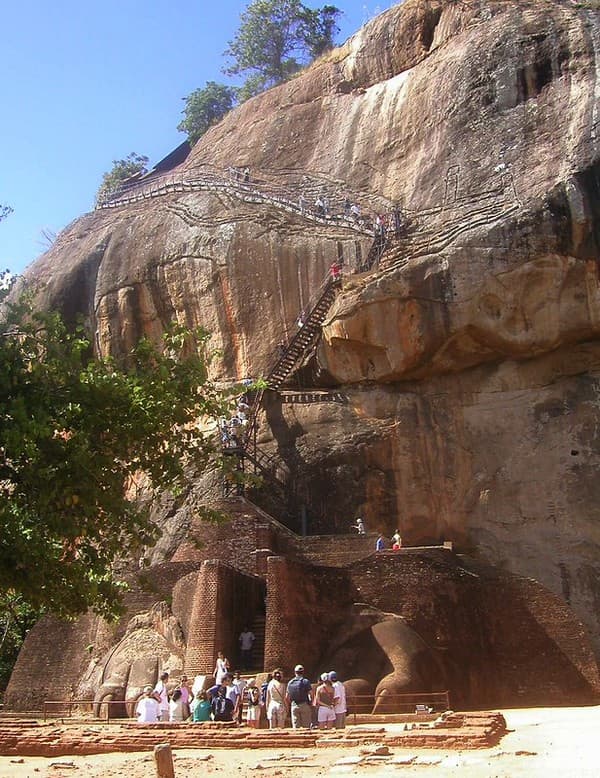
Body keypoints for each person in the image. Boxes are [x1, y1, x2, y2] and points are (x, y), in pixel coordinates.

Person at [286, 664, 313, 729]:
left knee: (296, 727)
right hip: (304, 704)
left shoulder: (290, 682)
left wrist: (290, 705)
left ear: (295, 672)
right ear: (303, 672)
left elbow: (287, 697)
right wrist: (310, 703)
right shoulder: (305, 681)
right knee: (306, 726)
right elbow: (311, 694)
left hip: (294, 705)